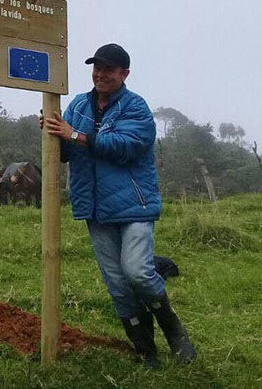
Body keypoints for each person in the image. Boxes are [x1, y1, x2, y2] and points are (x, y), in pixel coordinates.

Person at [42, 43, 196, 368]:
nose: (100, 74)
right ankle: (145, 350)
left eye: (109, 69)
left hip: (133, 207)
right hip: (95, 209)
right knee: (118, 284)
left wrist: (75, 136)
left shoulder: (136, 108)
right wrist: (53, 133)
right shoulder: (79, 106)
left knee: (138, 272)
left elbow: (126, 146)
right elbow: (67, 151)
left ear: (124, 74)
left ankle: (174, 331)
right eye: (96, 67)